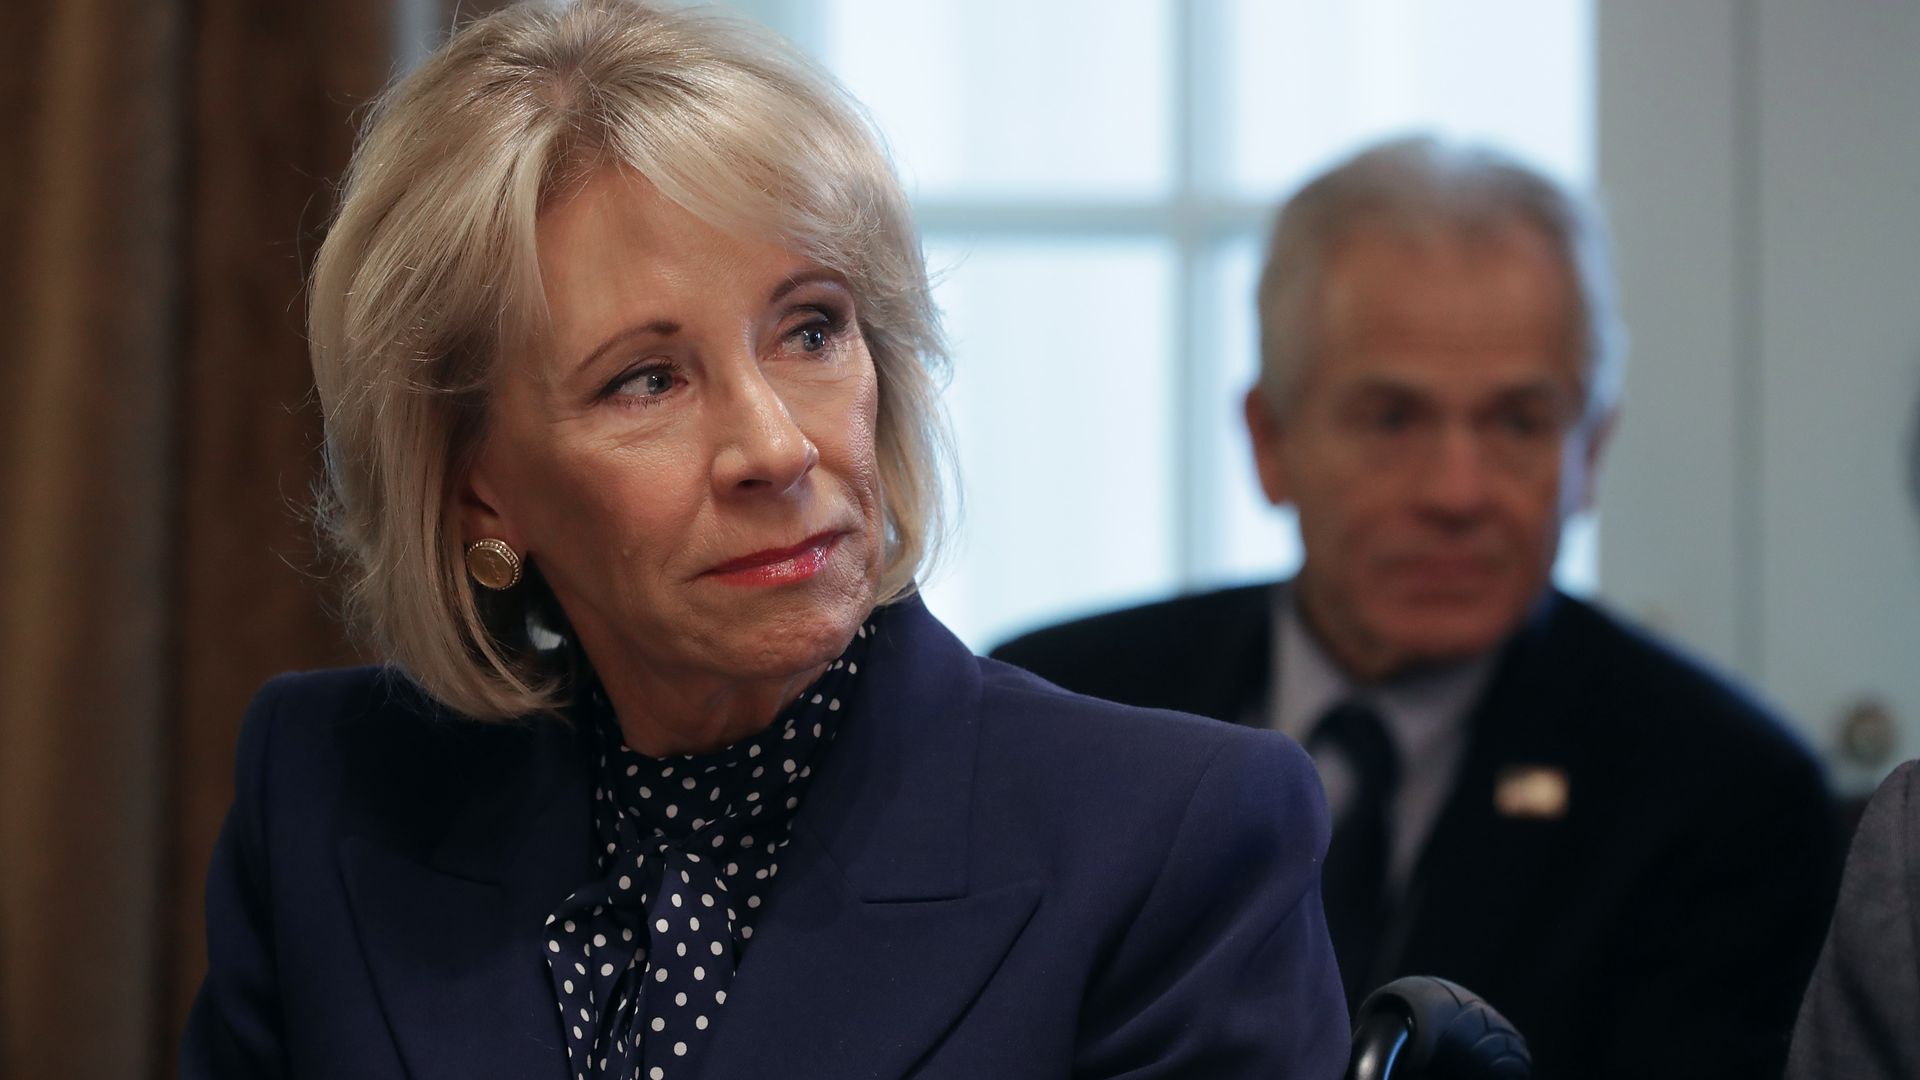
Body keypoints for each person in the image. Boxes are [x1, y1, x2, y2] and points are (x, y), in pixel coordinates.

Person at [177, 3, 1347, 1078]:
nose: (776, 447)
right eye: (647, 380)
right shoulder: (328, 795)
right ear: (478, 488)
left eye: (810, 330)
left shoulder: (1175, 840)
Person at [993, 136, 1840, 1079]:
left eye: (1519, 422)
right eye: (1392, 419)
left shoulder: (1722, 796)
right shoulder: (1060, 704)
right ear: (1269, 442)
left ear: (1589, 454)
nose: (1455, 491)